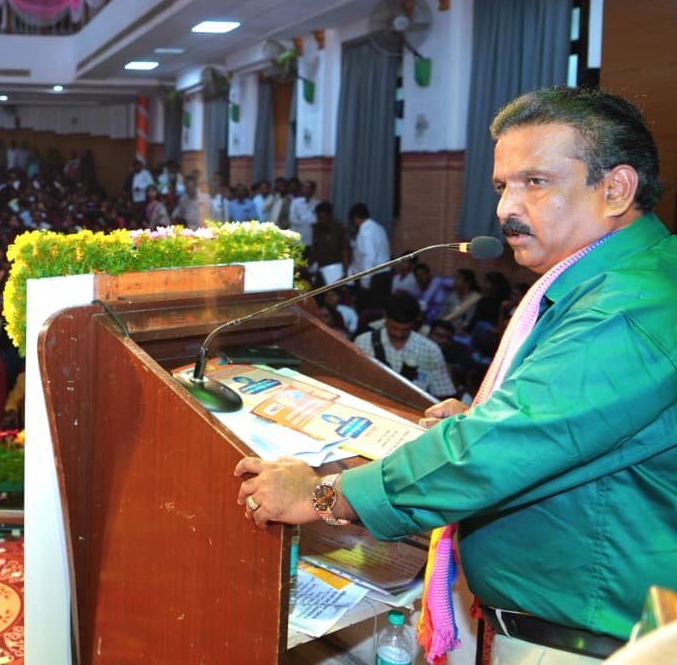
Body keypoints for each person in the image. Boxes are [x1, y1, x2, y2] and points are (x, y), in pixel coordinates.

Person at [234, 88, 677, 663]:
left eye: (534, 182)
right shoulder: (616, 280)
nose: (506, 208)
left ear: (615, 188)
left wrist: (324, 494)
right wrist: (481, 416)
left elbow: (504, 447)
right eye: (502, 186)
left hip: (582, 642)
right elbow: (564, 424)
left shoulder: (629, 305)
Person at [353, 293, 453, 398]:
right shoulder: (363, 342)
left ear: (415, 322)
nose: (399, 334)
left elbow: (443, 393)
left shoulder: (431, 351)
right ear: (385, 316)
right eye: (394, 328)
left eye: (405, 330)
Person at [348, 202, 391, 312]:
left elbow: (369, 257)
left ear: (355, 218)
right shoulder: (378, 227)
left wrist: (365, 280)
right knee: (381, 309)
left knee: (369, 310)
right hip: (385, 273)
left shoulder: (365, 232)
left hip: (374, 277)